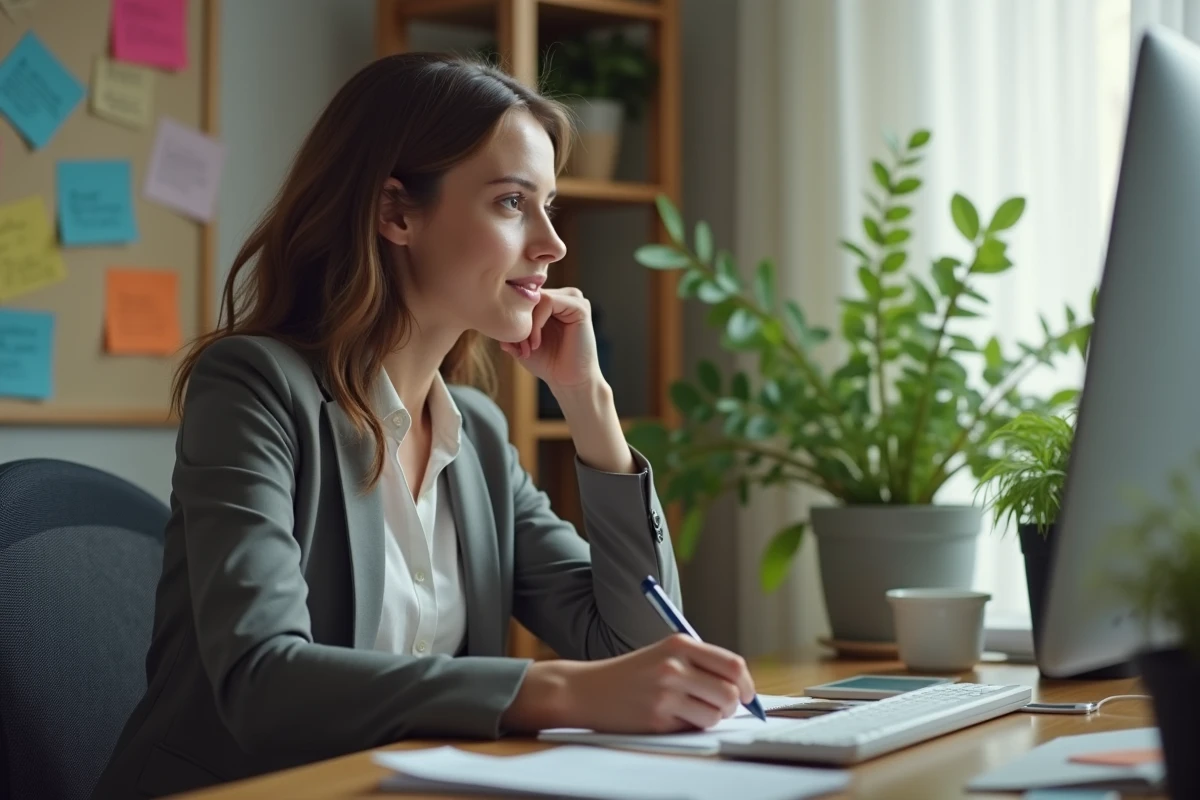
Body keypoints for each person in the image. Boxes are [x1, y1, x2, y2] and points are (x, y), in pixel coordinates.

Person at [93, 53, 757, 799]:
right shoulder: (255, 387)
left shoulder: (474, 433)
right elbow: (261, 677)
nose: (552, 244)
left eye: (549, 206)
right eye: (512, 203)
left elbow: (636, 643)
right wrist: (559, 691)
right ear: (396, 213)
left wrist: (589, 404)